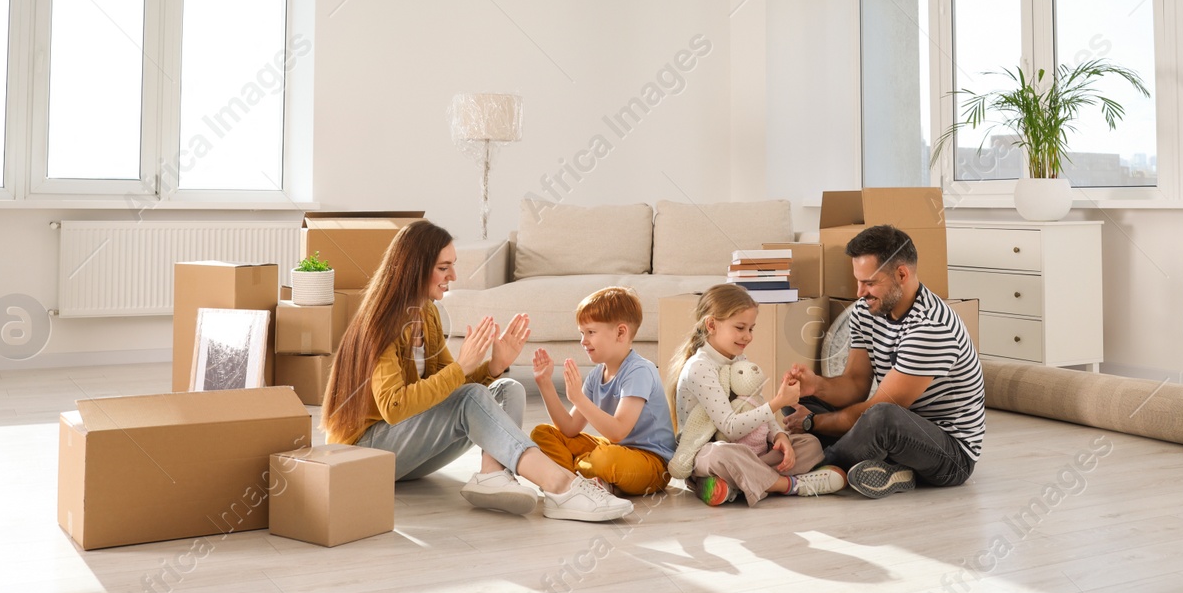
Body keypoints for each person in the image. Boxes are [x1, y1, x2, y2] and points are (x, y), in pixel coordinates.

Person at [321, 219, 632, 522]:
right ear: (414, 269)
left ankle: (492, 475)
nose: (453, 275)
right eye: (444, 268)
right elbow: (394, 407)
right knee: (470, 395)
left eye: (452, 266)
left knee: (508, 389)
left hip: (405, 454)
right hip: (364, 455)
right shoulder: (380, 325)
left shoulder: (426, 314)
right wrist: (461, 368)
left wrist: (493, 367)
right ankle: (560, 486)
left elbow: (452, 392)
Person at [783, 224, 984, 498]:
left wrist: (812, 424)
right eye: (858, 280)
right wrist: (815, 386)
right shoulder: (866, 311)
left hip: (949, 455)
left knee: (882, 418)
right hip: (897, 432)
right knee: (798, 403)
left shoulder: (931, 328)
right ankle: (888, 468)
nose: (859, 292)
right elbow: (855, 384)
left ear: (902, 274)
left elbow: (881, 409)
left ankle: (811, 467)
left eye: (869, 282)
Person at [668, 284, 846, 505]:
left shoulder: (739, 360)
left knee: (809, 444)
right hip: (705, 452)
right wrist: (778, 403)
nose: (748, 336)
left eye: (751, 329)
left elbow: (756, 405)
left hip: (749, 451)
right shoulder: (700, 368)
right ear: (712, 324)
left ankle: (733, 484)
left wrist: (779, 437)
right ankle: (791, 485)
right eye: (740, 328)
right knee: (720, 455)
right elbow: (730, 428)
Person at [529, 287, 675, 496]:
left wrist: (578, 399)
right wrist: (545, 384)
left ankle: (573, 475)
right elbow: (569, 429)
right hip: (617, 450)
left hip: (651, 463)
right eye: (582, 333)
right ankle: (577, 483)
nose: (583, 341)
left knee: (604, 458)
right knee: (543, 434)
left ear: (620, 332)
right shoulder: (597, 375)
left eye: (591, 332)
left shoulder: (639, 371)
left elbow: (618, 432)